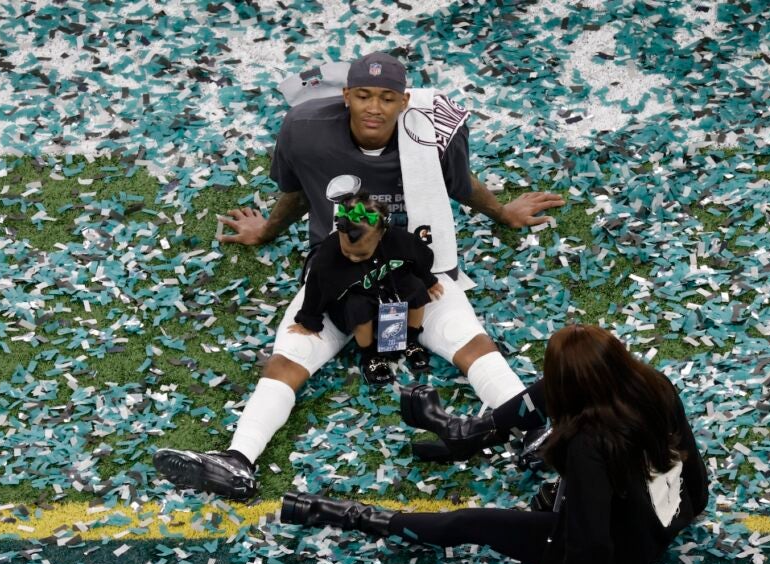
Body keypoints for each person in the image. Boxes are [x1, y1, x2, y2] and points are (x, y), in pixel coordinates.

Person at [153, 51, 565, 501]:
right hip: (339, 270)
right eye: (363, 95)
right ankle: (237, 459)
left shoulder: (431, 131)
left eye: (386, 98)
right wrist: (267, 230)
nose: (374, 107)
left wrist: (504, 213)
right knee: (289, 355)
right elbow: (298, 190)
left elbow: (459, 185)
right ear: (345, 95)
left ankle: (533, 429)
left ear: (404, 102)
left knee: (471, 340)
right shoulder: (305, 128)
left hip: (407, 268)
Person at [280, 324, 710, 564]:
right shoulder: (654, 385)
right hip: (659, 516)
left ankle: (349, 514)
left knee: (469, 522)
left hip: (622, 551)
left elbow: (593, 537)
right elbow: (689, 455)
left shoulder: (587, 446)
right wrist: (694, 507)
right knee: (545, 399)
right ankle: (464, 432)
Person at [291, 192, 444, 385]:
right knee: (358, 307)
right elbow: (316, 286)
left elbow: (421, 256)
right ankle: (370, 354)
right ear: (339, 232)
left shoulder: (398, 240)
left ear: (381, 235)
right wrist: (308, 319)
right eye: (347, 252)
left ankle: (410, 340)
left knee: (415, 287)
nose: (353, 258)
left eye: (361, 254)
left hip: (392, 287)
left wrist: (428, 280)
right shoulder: (328, 256)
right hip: (358, 297)